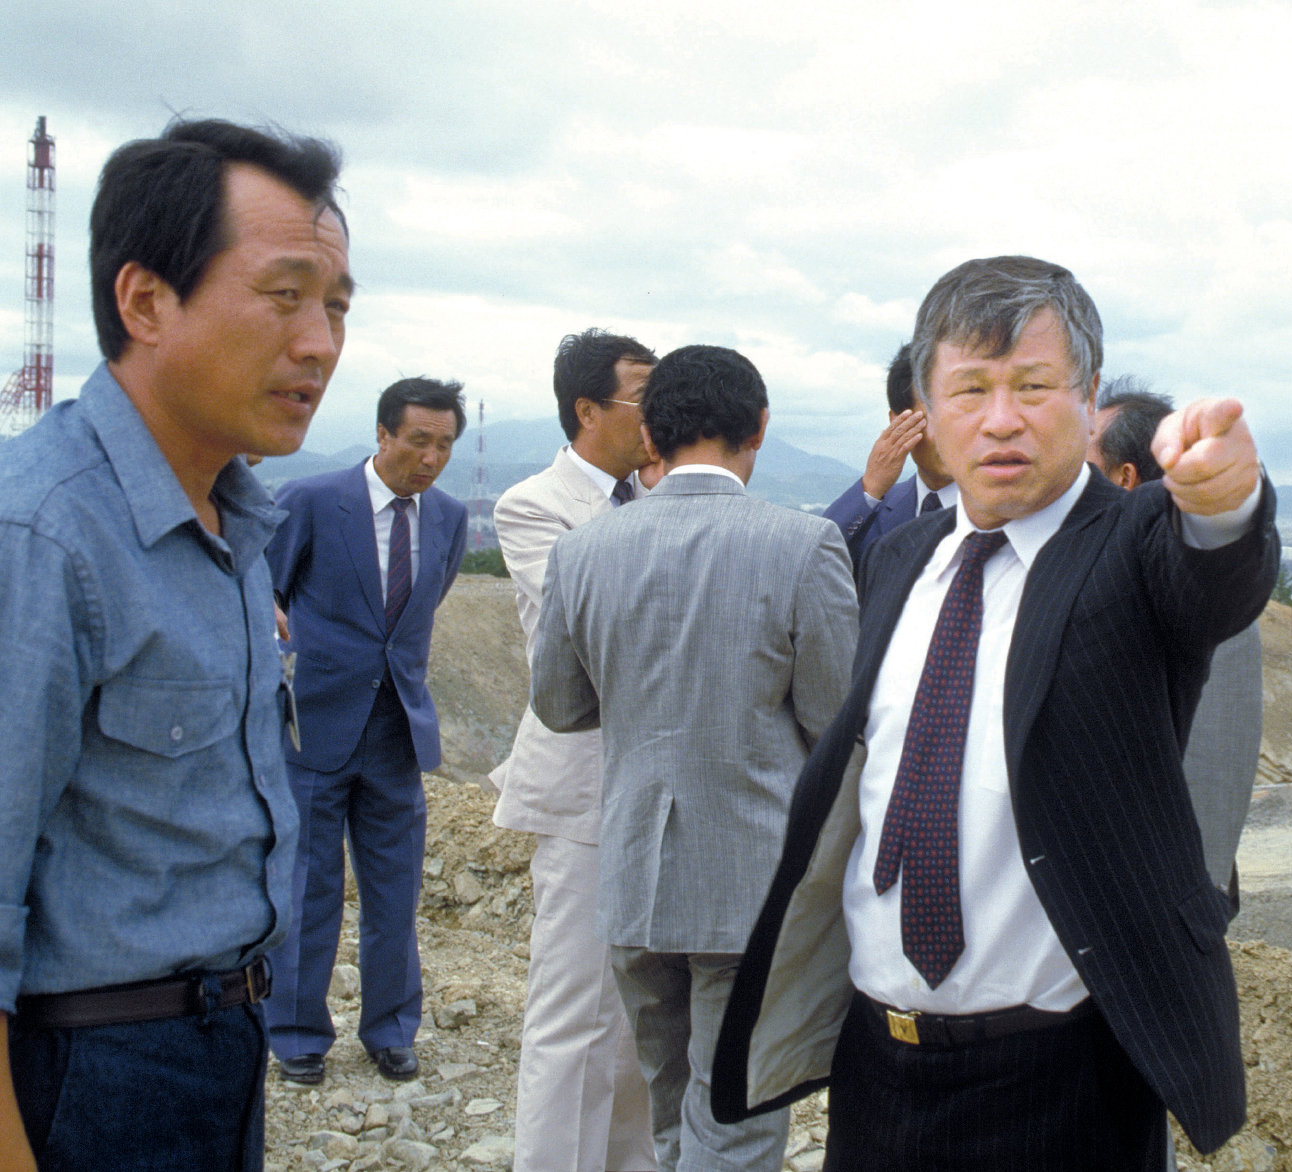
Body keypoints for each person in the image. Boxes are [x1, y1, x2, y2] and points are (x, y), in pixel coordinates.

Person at [712, 255, 1279, 1170]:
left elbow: (1213, 575)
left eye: (1034, 386)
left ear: (1087, 397)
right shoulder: (902, 558)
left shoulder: (1132, 543)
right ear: (926, 412)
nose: (1002, 418)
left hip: (1062, 1081)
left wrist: (1224, 506)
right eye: (970, 389)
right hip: (878, 1066)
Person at [0, 118, 351, 1171]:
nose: (321, 343)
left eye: (337, 305)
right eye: (285, 295)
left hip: (218, 1040)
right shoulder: (45, 534)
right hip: (85, 1067)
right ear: (146, 301)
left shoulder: (233, 523)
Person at [531, 345, 858, 1171]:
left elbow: (559, 706)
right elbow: (835, 721)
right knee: (737, 1121)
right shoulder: (804, 543)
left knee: (673, 1112)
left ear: (650, 433)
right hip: (752, 881)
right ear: (760, 426)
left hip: (631, 877)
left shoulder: (583, 550)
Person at [263, 378, 470, 1086]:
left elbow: (415, 613)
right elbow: (263, 585)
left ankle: (391, 1029)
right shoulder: (314, 500)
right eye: (418, 441)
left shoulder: (449, 518)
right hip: (315, 726)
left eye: (445, 445)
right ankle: (296, 1034)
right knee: (309, 887)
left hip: (397, 733)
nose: (431, 458)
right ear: (383, 434)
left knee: (394, 893)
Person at [490, 329, 661, 1172]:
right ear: (587, 410)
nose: (659, 418)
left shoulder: (652, 496)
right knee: (572, 1011)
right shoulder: (534, 505)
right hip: (585, 786)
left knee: (641, 1017)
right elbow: (604, 620)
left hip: (661, 787)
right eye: (644, 399)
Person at [1088, 376, 1265, 898]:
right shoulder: (1089, 577)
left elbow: (1214, 766)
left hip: (1160, 895)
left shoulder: (1200, 599)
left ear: (1124, 478)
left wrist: (1193, 903)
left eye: (1084, 462)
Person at [822, 344, 957, 567]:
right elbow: (814, 556)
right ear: (898, 422)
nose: (946, 436)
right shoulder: (874, 510)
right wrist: (871, 485)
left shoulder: (1004, 507)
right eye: (930, 420)